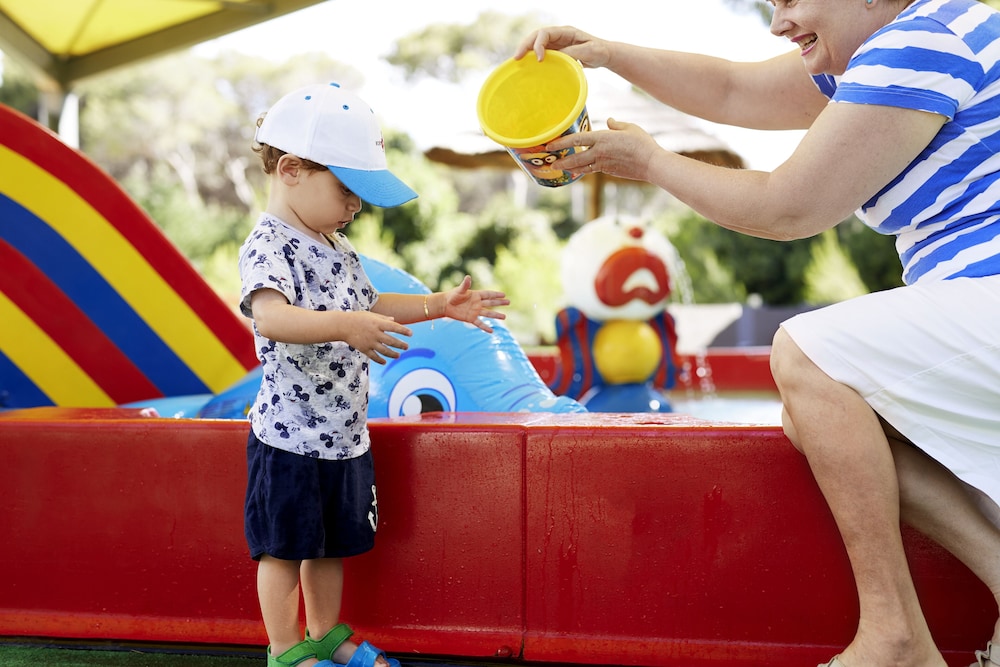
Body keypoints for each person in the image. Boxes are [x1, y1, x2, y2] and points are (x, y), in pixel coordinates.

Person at [516, 1, 1000, 666]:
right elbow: (731, 89)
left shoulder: (922, 42)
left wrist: (652, 163)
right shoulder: (892, 44)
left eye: (793, 0)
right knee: (819, 414)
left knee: (808, 357)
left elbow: (786, 207)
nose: (778, 22)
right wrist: (608, 53)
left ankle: (895, 635)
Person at [239, 82, 509, 667]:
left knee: (329, 544)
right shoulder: (269, 245)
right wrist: (346, 326)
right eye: (347, 190)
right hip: (289, 436)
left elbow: (372, 302)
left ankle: (325, 634)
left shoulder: (336, 246)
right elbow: (271, 317)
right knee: (284, 548)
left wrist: (439, 305)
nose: (356, 207)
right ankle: (285, 651)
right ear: (291, 170)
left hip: (342, 436)